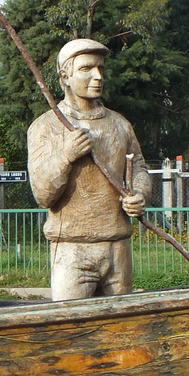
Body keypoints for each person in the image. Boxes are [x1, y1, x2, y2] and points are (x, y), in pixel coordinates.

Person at [27, 38, 151, 301]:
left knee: (122, 322)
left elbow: (139, 166)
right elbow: (43, 194)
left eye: (101, 68)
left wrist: (139, 194)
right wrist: (66, 155)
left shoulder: (120, 124)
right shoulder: (46, 127)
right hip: (72, 250)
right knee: (72, 322)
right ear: (65, 77)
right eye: (86, 68)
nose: (98, 76)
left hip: (117, 246)